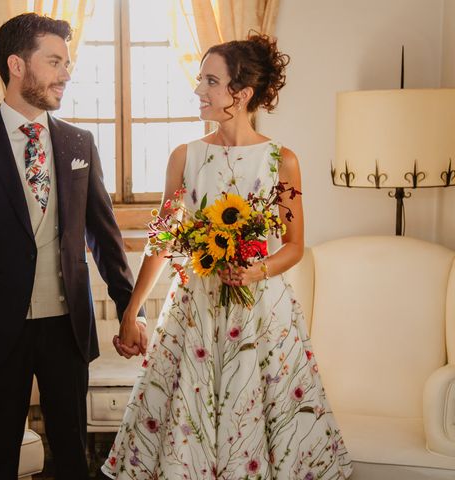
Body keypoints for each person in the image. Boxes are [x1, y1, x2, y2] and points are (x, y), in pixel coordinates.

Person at [102, 34, 353, 479]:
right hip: (195, 308)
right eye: (201, 79)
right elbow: (164, 239)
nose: (199, 90)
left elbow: (294, 245)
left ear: (242, 93)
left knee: (254, 416)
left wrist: (259, 269)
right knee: (190, 417)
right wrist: (132, 311)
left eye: (210, 81)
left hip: (262, 314)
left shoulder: (282, 160)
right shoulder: (186, 156)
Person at [0, 13, 147, 480]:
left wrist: (131, 312)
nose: (65, 73)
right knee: (0, 455)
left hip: (67, 329)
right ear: (17, 65)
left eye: (67, 63)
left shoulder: (79, 142)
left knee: (73, 454)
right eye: (54, 62)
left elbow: (105, 238)